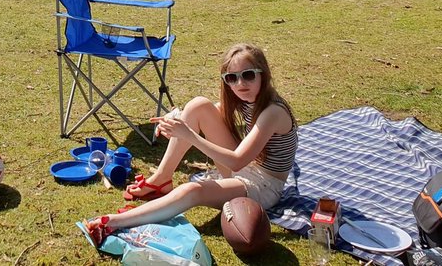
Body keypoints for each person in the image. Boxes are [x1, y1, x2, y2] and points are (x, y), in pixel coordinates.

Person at [82, 43, 297, 247]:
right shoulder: (246, 97)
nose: (240, 84)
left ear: (263, 74)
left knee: (192, 190)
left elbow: (239, 161)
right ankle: (161, 180)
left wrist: (190, 135)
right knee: (197, 106)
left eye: (248, 75)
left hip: (264, 187)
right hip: (246, 170)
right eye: (232, 78)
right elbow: (208, 111)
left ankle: (115, 222)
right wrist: (177, 118)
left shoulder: (273, 112)